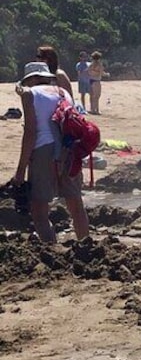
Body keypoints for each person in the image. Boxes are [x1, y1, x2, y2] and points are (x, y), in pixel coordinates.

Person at [12, 62, 89, 243]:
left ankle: (51, 253)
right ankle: (87, 246)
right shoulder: (64, 92)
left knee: (39, 208)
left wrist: (21, 169)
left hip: (44, 150)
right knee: (75, 204)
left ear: (33, 79)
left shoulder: (30, 94)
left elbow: (30, 132)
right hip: (69, 150)